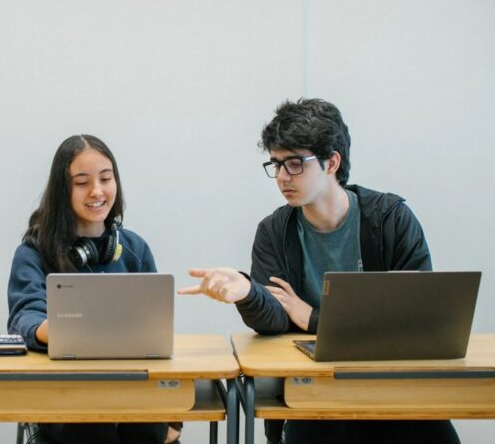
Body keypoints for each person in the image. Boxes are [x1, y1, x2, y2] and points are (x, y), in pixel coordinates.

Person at [179, 98, 459, 444]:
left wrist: (311, 317)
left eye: (295, 163)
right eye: (276, 164)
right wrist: (248, 292)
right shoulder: (274, 231)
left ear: (332, 162)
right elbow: (275, 320)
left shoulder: (390, 219)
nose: (282, 176)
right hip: (312, 390)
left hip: (394, 388)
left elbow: (411, 321)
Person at [7, 134, 173, 444]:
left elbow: (156, 328)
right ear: (62, 190)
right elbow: (24, 319)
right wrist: (67, 328)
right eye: (82, 183)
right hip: (64, 390)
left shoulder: (134, 248)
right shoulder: (33, 252)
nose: (97, 191)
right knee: (91, 430)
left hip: (131, 388)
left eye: (106, 179)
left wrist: (172, 413)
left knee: (151, 428)